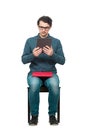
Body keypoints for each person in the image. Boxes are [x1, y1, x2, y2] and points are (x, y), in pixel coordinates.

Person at [21, 16, 65, 125]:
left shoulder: (56, 42)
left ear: (50, 27)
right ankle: (34, 116)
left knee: (55, 85)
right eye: (41, 27)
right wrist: (33, 55)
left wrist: (52, 54)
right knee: (34, 85)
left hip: (50, 73)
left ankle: (52, 115)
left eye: (46, 27)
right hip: (34, 73)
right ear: (37, 26)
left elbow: (63, 61)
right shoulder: (30, 41)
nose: (43, 30)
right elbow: (23, 60)